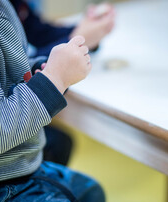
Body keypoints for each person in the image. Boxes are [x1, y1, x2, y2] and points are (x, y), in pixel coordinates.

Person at [0, 0, 121, 202]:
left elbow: (19, 69)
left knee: (91, 194)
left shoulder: (4, 6)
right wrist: (54, 79)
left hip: (15, 167)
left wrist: (43, 70)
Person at [10, 0, 115, 166]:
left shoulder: (8, 6)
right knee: (58, 144)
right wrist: (77, 40)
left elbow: (39, 32)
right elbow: (15, 66)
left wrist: (83, 33)